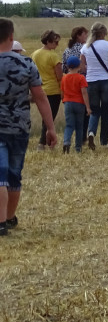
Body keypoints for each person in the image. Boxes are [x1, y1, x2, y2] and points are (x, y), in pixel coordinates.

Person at [1, 18, 57, 235]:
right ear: (11, 37)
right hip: (19, 128)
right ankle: (8, 218)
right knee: (14, 176)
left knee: (0, 176)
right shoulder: (25, 64)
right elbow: (41, 98)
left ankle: (1, 223)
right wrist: (50, 128)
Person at [82, 22, 108, 149]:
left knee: (94, 111)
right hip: (105, 81)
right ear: (103, 33)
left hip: (90, 81)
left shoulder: (85, 47)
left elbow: (82, 67)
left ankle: (91, 132)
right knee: (105, 111)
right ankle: (104, 141)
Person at [30, 30, 63, 149]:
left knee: (45, 118)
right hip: (53, 90)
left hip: (39, 88)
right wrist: (63, 91)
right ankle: (42, 143)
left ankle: (45, 142)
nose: (57, 45)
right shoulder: (53, 56)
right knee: (50, 118)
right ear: (49, 41)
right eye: (55, 42)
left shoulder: (34, 54)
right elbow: (59, 76)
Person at [60, 55, 90, 153]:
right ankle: (78, 148)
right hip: (79, 104)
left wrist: (64, 101)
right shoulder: (81, 78)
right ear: (79, 66)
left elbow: (62, 92)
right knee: (79, 126)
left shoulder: (64, 78)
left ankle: (66, 142)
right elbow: (84, 93)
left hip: (68, 103)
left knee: (69, 125)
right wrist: (88, 107)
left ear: (68, 67)